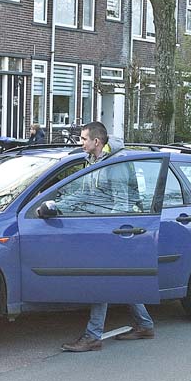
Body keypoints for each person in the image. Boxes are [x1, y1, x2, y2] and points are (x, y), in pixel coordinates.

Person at [61, 121, 155, 352]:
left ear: (96, 141)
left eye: (83, 139)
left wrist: (107, 232)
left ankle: (93, 337)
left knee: (101, 281)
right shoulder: (91, 162)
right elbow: (84, 195)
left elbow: (122, 203)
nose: (80, 142)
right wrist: (57, 205)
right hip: (104, 228)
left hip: (116, 231)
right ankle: (145, 324)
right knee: (120, 280)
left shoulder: (116, 166)